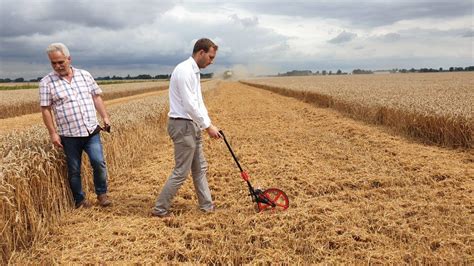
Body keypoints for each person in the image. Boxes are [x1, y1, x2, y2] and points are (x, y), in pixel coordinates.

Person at [152, 38, 222, 218]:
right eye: (210, 57)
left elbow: (199, 102)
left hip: (191, 124)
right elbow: (190, 105)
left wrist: (208, 123)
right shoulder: (184, 71)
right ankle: (160, 209)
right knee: (181, 171)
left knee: (200, 168)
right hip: (182, 125)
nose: (211, 61)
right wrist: (207, 127)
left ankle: (207, 206)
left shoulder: (194, 71)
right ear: (201, 52)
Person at [39, 42, 112, 208]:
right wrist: (53, 133)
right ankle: (80, 201)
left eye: (60, 62)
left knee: (98, 162)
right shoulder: (46, 82)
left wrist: (105, 117)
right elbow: (45, 110)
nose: (57, 66)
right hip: (69, 134)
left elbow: (96, 97)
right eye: (53, 63)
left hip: (91, 130)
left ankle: (102, 194)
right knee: (74, 170)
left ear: (69, 59)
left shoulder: (85, 75)